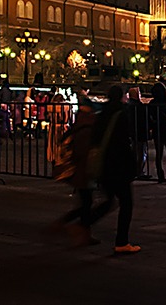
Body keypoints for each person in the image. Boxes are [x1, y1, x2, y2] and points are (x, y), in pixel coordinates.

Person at [84, 85, 140, 254]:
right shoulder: (121, 114)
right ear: (122, 96)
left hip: (104, 164)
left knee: (109, 201)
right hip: (119, 164)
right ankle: (121, 241)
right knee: (126, 203)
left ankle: (83, 224)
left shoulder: (102, 114)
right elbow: (124, 142)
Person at [53, 97, 100, 246]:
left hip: (80, 171)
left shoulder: (79, 124)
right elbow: (83, 151)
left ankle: (80, 230)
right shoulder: (86, 127)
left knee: (85, 202)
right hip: (83, 171)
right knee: (86, 203)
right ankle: (74, 227)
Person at [149, 82, 166, 182]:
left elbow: (150, 116)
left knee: (159, 154)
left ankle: (160, 175)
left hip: (157, 129)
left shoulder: (152, 103)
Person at [126, 87, 149, 176]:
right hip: (140, 132)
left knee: (135, 151)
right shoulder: (139, 106)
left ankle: (134, 170)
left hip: (133, 132)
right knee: (141, 152)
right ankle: (139, 171)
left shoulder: (128, 105)